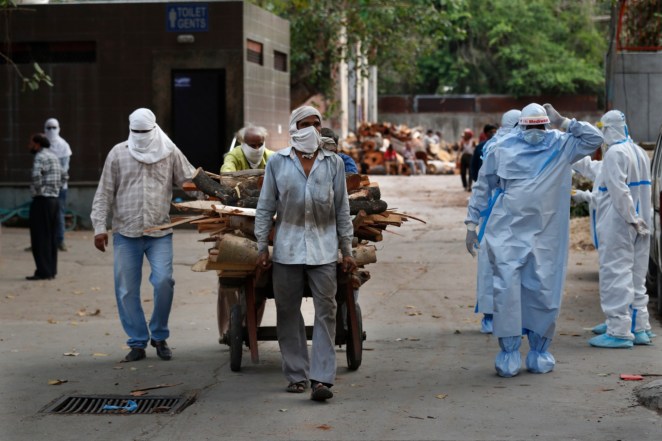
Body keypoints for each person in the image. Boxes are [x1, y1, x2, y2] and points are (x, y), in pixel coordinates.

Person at [465, 103, 603, 377]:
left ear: (547, 125)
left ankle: (540, 350)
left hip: (547, 235)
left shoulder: (561, 145)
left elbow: (595, 139)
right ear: (521, 127)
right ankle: (509, 351)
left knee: (544, 291)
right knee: (506, 291)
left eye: (541, 126)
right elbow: (483, 185)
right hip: (508, 232)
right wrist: (472, 222)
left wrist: (565, 122)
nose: (536, 132)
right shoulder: (501, 149)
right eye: (531, 127)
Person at [254, 106, 356, 402]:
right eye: (305, 124)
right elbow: (266, 207)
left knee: (327, 312)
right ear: (293, 128)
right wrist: (263, 246)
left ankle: (322, 379)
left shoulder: (333, 163)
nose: (311, 129)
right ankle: (296, 374)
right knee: (287, 311)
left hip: (324, 250)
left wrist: (346, 249)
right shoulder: (277, 163)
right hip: (286, 250)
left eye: (316, 124)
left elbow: (342, 209)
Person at [90, 108, 196, 363]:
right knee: (126, 289)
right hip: (126, 232)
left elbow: (189, 180)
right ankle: (137, 341)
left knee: (163, 282)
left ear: (154, 128)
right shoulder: (118, 153)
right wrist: (99, 228)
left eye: (144, 132)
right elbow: (104, 192)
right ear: (130, 130)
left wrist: (215, 199)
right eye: (136, 132)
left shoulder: (169, 151)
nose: (141, 137)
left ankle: (159, 335)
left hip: (159, 231)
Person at [582, 110, 653, 348]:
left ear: (607, 130)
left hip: (622, 223)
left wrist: (630, 218)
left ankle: (618, 330)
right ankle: (638, 325)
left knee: (615, 274)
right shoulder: (638, 151)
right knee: (636, 275)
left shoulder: (614, 153)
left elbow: (618, 191)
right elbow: (596, 171)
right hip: (642, 223)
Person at [217, 125, 273, 341]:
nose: (257, 148)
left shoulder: (272, 157)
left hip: (269, 223)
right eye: (252, 144)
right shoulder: (234, 156)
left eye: (260, 144)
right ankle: (227, 329)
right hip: (239, 222)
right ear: (242, 143)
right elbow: (226, 176)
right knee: (228, 277)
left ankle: (250, 327)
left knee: (263, 279)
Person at [469, 111, 520, 334]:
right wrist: (472, 221)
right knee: (492, 265)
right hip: (496, 213)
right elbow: (481, 184)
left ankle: (507, 314)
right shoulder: (494, 147)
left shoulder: (523, 147)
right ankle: (491, 314)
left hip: (514, 213)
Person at [26, 133, 65, 280]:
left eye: (31, 143)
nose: (29, 146)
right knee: (51, 237)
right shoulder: (54, 156)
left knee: (39, 237)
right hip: (54, 201)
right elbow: (65, 175)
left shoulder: (40, 156)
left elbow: (36, 176)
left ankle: (43, 271)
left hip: (42, 201)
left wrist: (39, 190)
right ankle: (51, 271)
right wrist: (56, 189)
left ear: (37, 144)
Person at [44, 118, 72, 252]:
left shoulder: (63, 145)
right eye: (49, 128)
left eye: (54, 127)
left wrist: (58, 183)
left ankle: (60, 240)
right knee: (43, 215)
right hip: (44, 187)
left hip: (60, 187)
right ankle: (43, 241)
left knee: (59, 214)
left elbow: (65, 168)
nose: (51, 131)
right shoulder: (43, 143)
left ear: (59, 128)